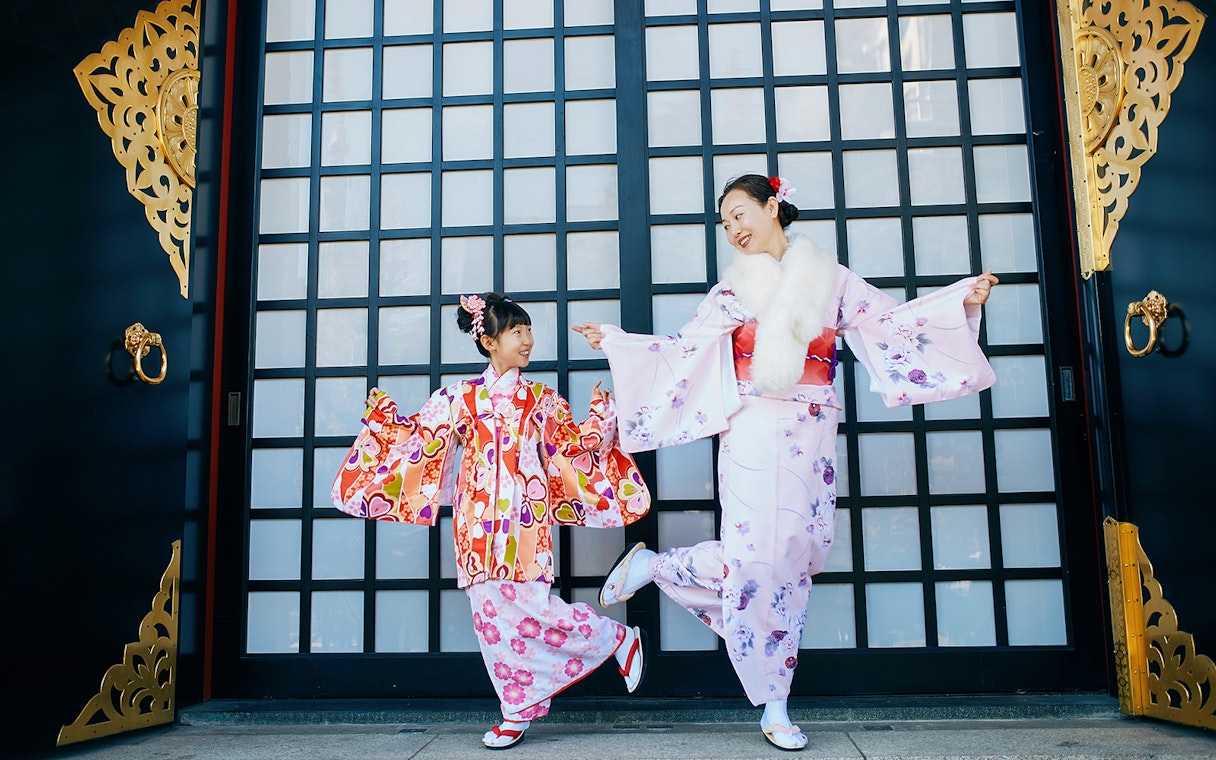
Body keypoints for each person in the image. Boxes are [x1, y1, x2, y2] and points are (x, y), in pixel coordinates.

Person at [574, 174, 998, 751]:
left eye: (741, 214)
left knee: (799, 552)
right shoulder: (731, 292)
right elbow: (681, 351)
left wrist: (959, 303)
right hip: (751, 428)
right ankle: (775, 700)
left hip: (814, 426)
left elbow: (892, 325)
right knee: (759, 557)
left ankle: (661, 568)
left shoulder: (830, 277)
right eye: (725, 223)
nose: (734, 230)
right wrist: (620, 343)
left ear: (774, 207)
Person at [333, 293, 651, 749]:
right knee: (491, 617)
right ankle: (516, 709)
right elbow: (418, 440)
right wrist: (385, 421)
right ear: (488, 341)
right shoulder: (458, 398)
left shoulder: (541, 400)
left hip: (525, 518)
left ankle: (613, 638)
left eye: (528, 331)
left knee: (533, 606)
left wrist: (602, 416)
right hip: (475, 521)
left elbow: (575, 447)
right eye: (515, 332)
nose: (527, 340)